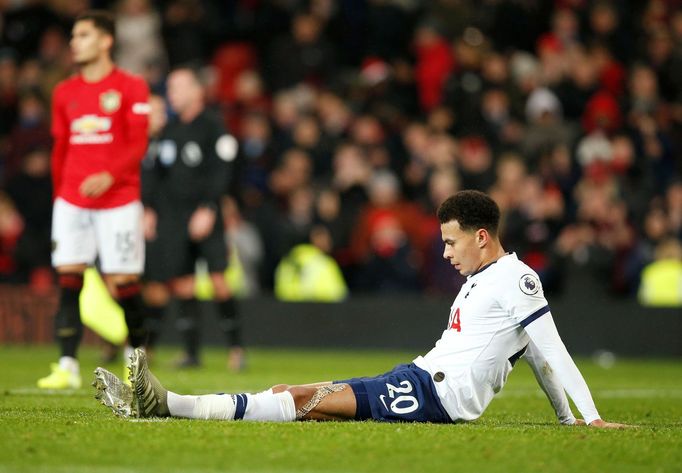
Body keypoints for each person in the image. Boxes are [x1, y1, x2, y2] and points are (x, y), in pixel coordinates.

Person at [94, 190, 626, 428]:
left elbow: (550, 348)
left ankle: (168, 405)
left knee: (303, 399)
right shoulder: (490, 277)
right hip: (418, 380)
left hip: (436, 398)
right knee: (295, 395)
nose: (445, 252)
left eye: (450, 242)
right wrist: (565, 421)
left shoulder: (517, 278)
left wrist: (590, 419)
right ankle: (160, 405)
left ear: (481, 237)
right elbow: (534, 356)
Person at [38, 11, 150, 390]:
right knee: (69, 277)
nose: (74, 42)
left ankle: (136, 361)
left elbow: (138, 143)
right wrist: (60, 195)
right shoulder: (64, 92)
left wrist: (109, 175)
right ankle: (67, 365)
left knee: (124, 282)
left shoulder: (132, 86)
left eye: (83, 35)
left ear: (106, 41)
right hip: (71, 201)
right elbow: (61, 148)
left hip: (119, 199)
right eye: (73, 35)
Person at [141, 66, 243, 370]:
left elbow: (224, 170)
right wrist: (148, 208)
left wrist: (210, 207)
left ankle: (236, 350)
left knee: (218, 281)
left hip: (205, 214)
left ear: (197, 91)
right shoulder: (168, 132)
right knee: (183, 283)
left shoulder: (213, 127)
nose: (171, 94)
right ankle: (191, 353)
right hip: (174, 217)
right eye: (170, 88)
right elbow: (155, 175)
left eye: (177, 87)